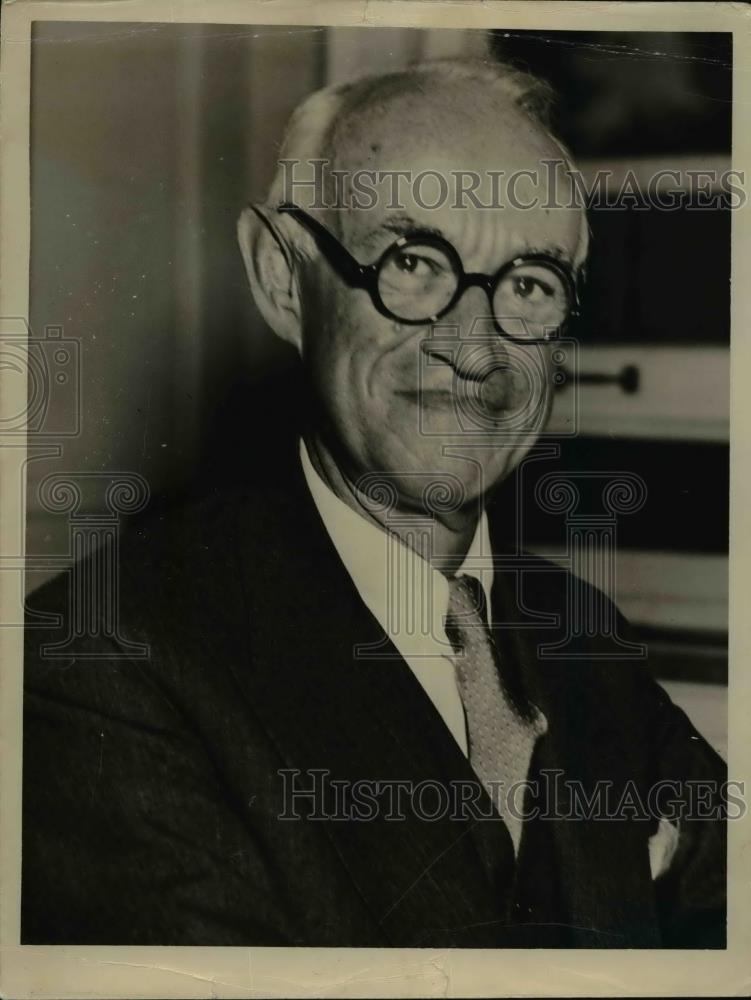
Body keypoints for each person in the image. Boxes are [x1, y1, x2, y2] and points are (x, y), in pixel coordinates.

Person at [22, 58, 726, 948]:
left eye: (529, 284)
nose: (474, 350)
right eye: (414, 264)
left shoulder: (580, 633)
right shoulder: (99, 669)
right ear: (284, 281)